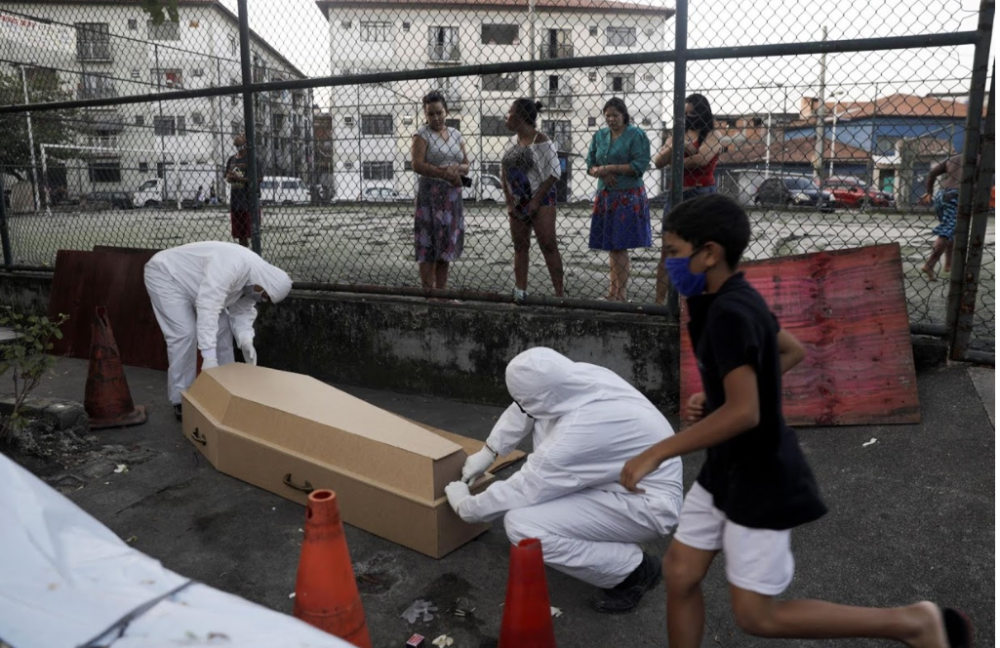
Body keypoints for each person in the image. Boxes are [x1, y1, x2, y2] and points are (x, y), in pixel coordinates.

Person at [619, 194, 973, 648]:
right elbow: (789, 351)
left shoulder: (728, 312)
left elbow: (745, 413)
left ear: (709, 253)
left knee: (758, 617)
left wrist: (657, 451)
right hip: (726, 468)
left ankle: (913, 623)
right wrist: (719, 392)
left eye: (672, 252)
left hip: (760, 476)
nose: (664, 262)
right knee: (680, 573)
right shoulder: (727, 298)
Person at [444, 347, 682, 614]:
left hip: (647, 506)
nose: (524, 406)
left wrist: (467, 506)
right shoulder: (573, 378)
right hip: (621, 480)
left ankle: (634, 572)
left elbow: (527, 486)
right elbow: (525, 406)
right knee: (543, 448)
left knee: (523, 528)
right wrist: (490, 451)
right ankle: (607, 544)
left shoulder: (580, 431)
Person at [143, 241, 293, 422]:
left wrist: (246, 338)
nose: (261, 298)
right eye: (265, 295)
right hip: (167, 275)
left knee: (222, 328)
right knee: (184, 333)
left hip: (197, 284)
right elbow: (208, 305)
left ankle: (225, 388)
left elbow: (243, 311)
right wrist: (208, 357)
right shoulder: (233, 265)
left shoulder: (253, 281)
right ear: (266, 283)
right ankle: (181, 398)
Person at [652, 93, 722, 305]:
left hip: (700, 194)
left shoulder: (713, 135)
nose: (689, 117)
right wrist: (677, 147)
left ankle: (694, 302)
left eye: (693, 112)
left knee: (700, 250)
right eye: (686, 113)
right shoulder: (677, 134)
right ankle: (659, 303)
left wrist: (677, 157)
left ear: (703, 113)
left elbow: (701, 159)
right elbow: (657, 162)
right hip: (676, 195)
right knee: (668, 250)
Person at [586, 98, 653, 302]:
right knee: (612, 245)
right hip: (606, 194)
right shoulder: (600, 135)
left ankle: (620, 294)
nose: (611, 119)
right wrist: (601, 173)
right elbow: (590, 163)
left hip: (628, 195)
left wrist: (611, 168)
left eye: (615, 115)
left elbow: (639, 165)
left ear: (624, 115)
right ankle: (612, 292)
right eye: (607, 116)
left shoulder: (636, 135)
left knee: (620, 244)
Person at [501, 98, 565, 300]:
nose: (506, 116)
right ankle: (520, 290)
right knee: (520, 247)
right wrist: (509, 201)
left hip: (542, 198)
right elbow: (504, 173)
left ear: (520, 117)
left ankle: (559, 294)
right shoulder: (512, 142)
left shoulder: (542, 141)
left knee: (548, 244)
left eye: (510, 111)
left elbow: (554, 173)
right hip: (518, 199)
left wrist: (536, 201)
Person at [410, 91, 469, 292]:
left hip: (452, 195)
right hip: (430, 194)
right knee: (428, 243)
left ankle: (441, 292)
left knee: (446, 244)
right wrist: (443, 172)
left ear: (446, 111)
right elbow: (417, 165)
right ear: (425, 115)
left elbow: (466, 164)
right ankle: (429, 292)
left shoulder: (456, 134)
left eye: (439, 112)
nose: (435, 118)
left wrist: (456, 170)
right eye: (430, 114)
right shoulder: (422, 134)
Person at [918, 153, 962, 281]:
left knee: (951, 230)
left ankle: (948, 264)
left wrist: (929, 192)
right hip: (957, 195)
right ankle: (929, 265)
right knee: (947, 230)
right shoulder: (982, 159)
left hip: (941, 194)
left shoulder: (954, 158)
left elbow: (932, 173)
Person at [225, 135, 262, 247]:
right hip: (236, 202)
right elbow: (227, 176)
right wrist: (230, 178)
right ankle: (245, 255)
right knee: (240, 236)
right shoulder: (232, 159)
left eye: (240, 145)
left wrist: (239, 178)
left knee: (253, 233)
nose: (239, 148)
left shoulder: (254, 159)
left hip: (249, 202)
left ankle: (254, 256)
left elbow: (259, 179)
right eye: (237, 145)